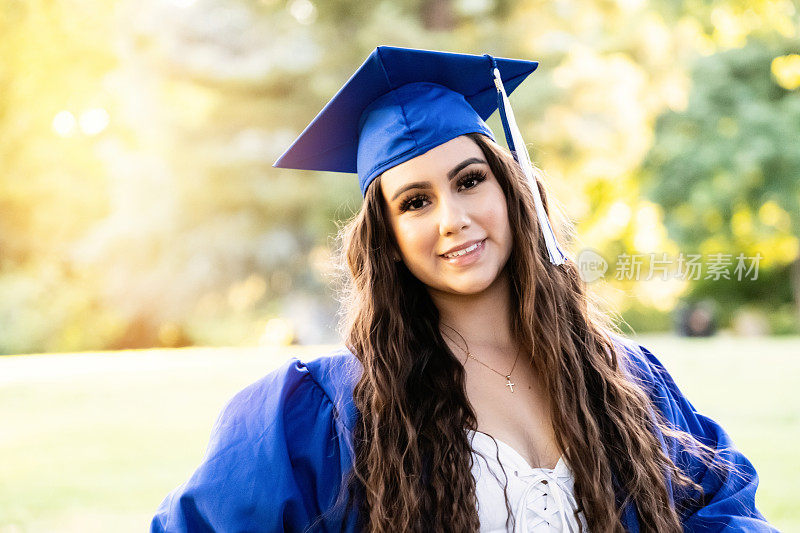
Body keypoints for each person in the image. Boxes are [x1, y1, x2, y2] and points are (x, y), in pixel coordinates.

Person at [151, 46, 776, 532]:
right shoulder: (325, 414)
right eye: (416, 202)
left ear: (511, 190)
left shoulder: (623, 382)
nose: (452, 218)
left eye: (470, 180)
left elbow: (722, 508)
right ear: (387, 236)